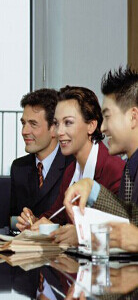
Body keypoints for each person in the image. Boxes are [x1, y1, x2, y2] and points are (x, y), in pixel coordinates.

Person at [17, 86, 125, 246]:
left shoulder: (114, 169)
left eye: (68, 123)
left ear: (91, 125)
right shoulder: (71, 171)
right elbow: (55, 216)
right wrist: (35, 221)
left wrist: (63, 231)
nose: (59, 132)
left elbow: (123, 230)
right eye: (56, 123)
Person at [64, 67, 138, 247]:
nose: (103, 129)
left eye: (107, 117)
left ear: (133, 117)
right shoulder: (130, 166)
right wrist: (92, 188)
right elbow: (130, 220)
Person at [10, 88, 74, 219]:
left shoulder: (73, 165)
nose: (24, 131)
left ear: (54, 129)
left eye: (33, 124)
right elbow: (12, 218)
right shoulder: (19, 167)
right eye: (23, 123)